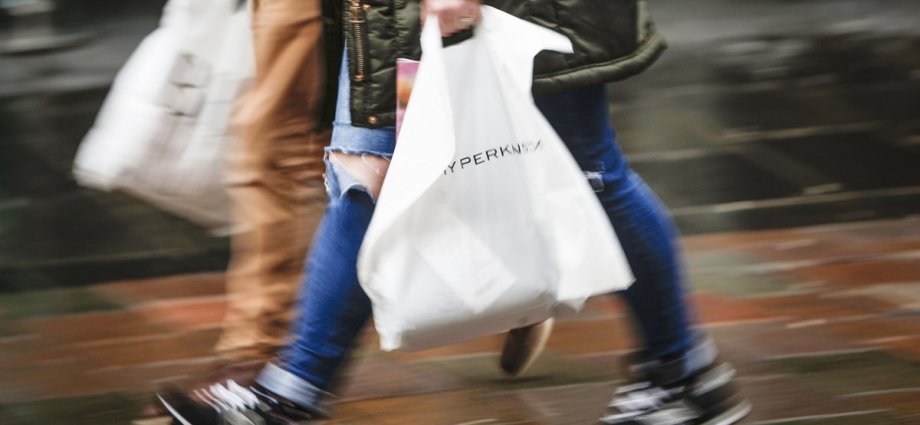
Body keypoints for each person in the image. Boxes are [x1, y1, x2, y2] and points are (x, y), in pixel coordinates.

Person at [158, 1, 751, 424]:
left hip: (508, 10)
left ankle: (683, 372)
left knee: (591, 175)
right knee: (364, 180)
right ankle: (290, 392)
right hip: (390, 14)